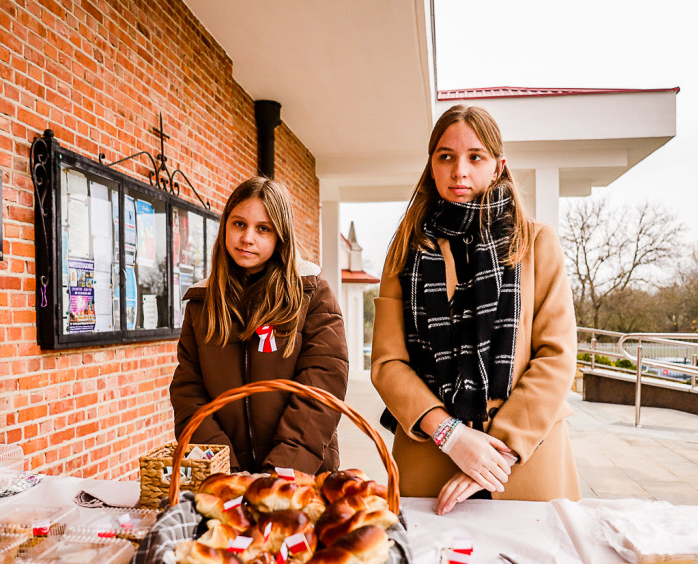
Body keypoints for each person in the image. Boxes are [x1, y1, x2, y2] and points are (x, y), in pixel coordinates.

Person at [371, 105, 579, 513]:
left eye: (475, 156)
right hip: (430, 457)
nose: (459, 171)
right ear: (431, 166)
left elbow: (556, 356)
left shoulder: (536, 243)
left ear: (498, 166)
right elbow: (388, 362)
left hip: (523, 460)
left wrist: (493, 457)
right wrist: (452, 435)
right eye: (445, 156)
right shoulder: (406, 250)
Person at [169, 176, 348, 475]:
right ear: (226, 225)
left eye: (262, 228)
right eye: (239, 224)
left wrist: (282, 471)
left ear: (281, 236)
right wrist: (223, 468)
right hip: (226, 480)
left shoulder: (312, 294)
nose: (247, 237)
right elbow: (188, 392)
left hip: (300, 479)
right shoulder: (202, 304)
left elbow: (322, 386)